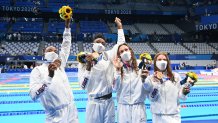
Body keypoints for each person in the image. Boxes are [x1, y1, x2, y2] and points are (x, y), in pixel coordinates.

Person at [29, 18, 79, 123]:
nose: (53, 51)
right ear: (44, 53)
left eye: (55, 50)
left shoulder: (60, 65)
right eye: (49, 50)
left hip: (71, 109)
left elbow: (66, 45)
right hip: (55, 115)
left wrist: (67, 26)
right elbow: (33, 95)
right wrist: (49, 77)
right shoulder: (37, 70)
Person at [78, 17, 125, 123]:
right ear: (92, 44)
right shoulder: (83, 61)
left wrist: (120, 27)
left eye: (103, 43)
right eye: (98, 42)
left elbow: (120, 44)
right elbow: (82, 86)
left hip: (109, 102)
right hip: (94, 103)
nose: (101, 44)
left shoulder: (108, 55)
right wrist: (89, 67)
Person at [142, 52, 191, 123]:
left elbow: (182, 97)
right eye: (159, 59)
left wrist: (184, 93)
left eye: (164, 59)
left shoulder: (175, 77)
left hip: (174, 116)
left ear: (168, 62)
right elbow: (152, 98)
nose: (162, 61)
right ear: (155, 62)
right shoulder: (150, 78)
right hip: (158, 117)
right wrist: (158, 83)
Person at [112, 43, 148, 123]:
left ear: (130, 51)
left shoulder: (140, 64)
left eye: (126, 50)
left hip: (138, 106)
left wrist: (146, 79)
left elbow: (147, 85)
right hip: (123, 107)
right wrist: (118, 70)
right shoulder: (117, 67)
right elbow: (115, 88)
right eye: (121, 51)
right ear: (119, 55)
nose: (124, 52)